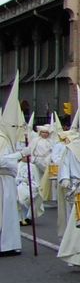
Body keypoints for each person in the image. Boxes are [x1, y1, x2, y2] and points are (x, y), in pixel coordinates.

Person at [54, 88, 80, 267]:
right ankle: (76, 253)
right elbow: (65, 167)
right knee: (77, 224)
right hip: (75, 188)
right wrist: (65, 180)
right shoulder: (71, 149)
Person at [0, 76, 28, 256]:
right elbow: (2, 160)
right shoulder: (2, 139)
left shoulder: (7, 139)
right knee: (4, 214)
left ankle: (8, 244)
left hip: (7, 180)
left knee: (9, 214)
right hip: (2, 180)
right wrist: (20, 155)